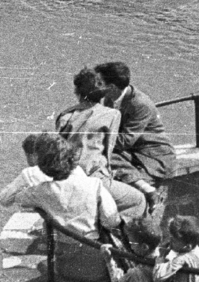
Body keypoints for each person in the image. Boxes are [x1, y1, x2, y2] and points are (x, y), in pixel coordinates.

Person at [2, 136, 122, 282]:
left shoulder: (41, 191)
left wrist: (29, 176)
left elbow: (15, 198)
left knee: (43, 265)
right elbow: (112, 220)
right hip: (94, 262)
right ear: (72, 157)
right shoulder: (94, 184)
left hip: (65, 265)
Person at [56, 68, 147, 219]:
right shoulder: (112, 115)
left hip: (67, 178)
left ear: (77, 91)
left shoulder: (65, 115)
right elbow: (108, 153)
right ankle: (116, 236)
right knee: (138, 200)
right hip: (94, 178)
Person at [95, 61, 177, 208]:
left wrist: (94, 138)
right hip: (132, 152)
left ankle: (146, 191)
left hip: (153, 156)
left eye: (100, 83)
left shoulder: (140, 104)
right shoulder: (108, 99)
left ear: (112, 87)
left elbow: (125, 140)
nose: (96, 86)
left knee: (105, 155)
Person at [108, 218, 175, 282]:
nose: (130, 246)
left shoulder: (137, 273)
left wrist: (109, 261)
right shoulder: (171, 258)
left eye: (132, 244)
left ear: (144, 247)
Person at [0, 133, 55, 206]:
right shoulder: (60, 169)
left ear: (32, 155)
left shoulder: (30, 173)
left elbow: (4, 199)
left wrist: (19, 196)